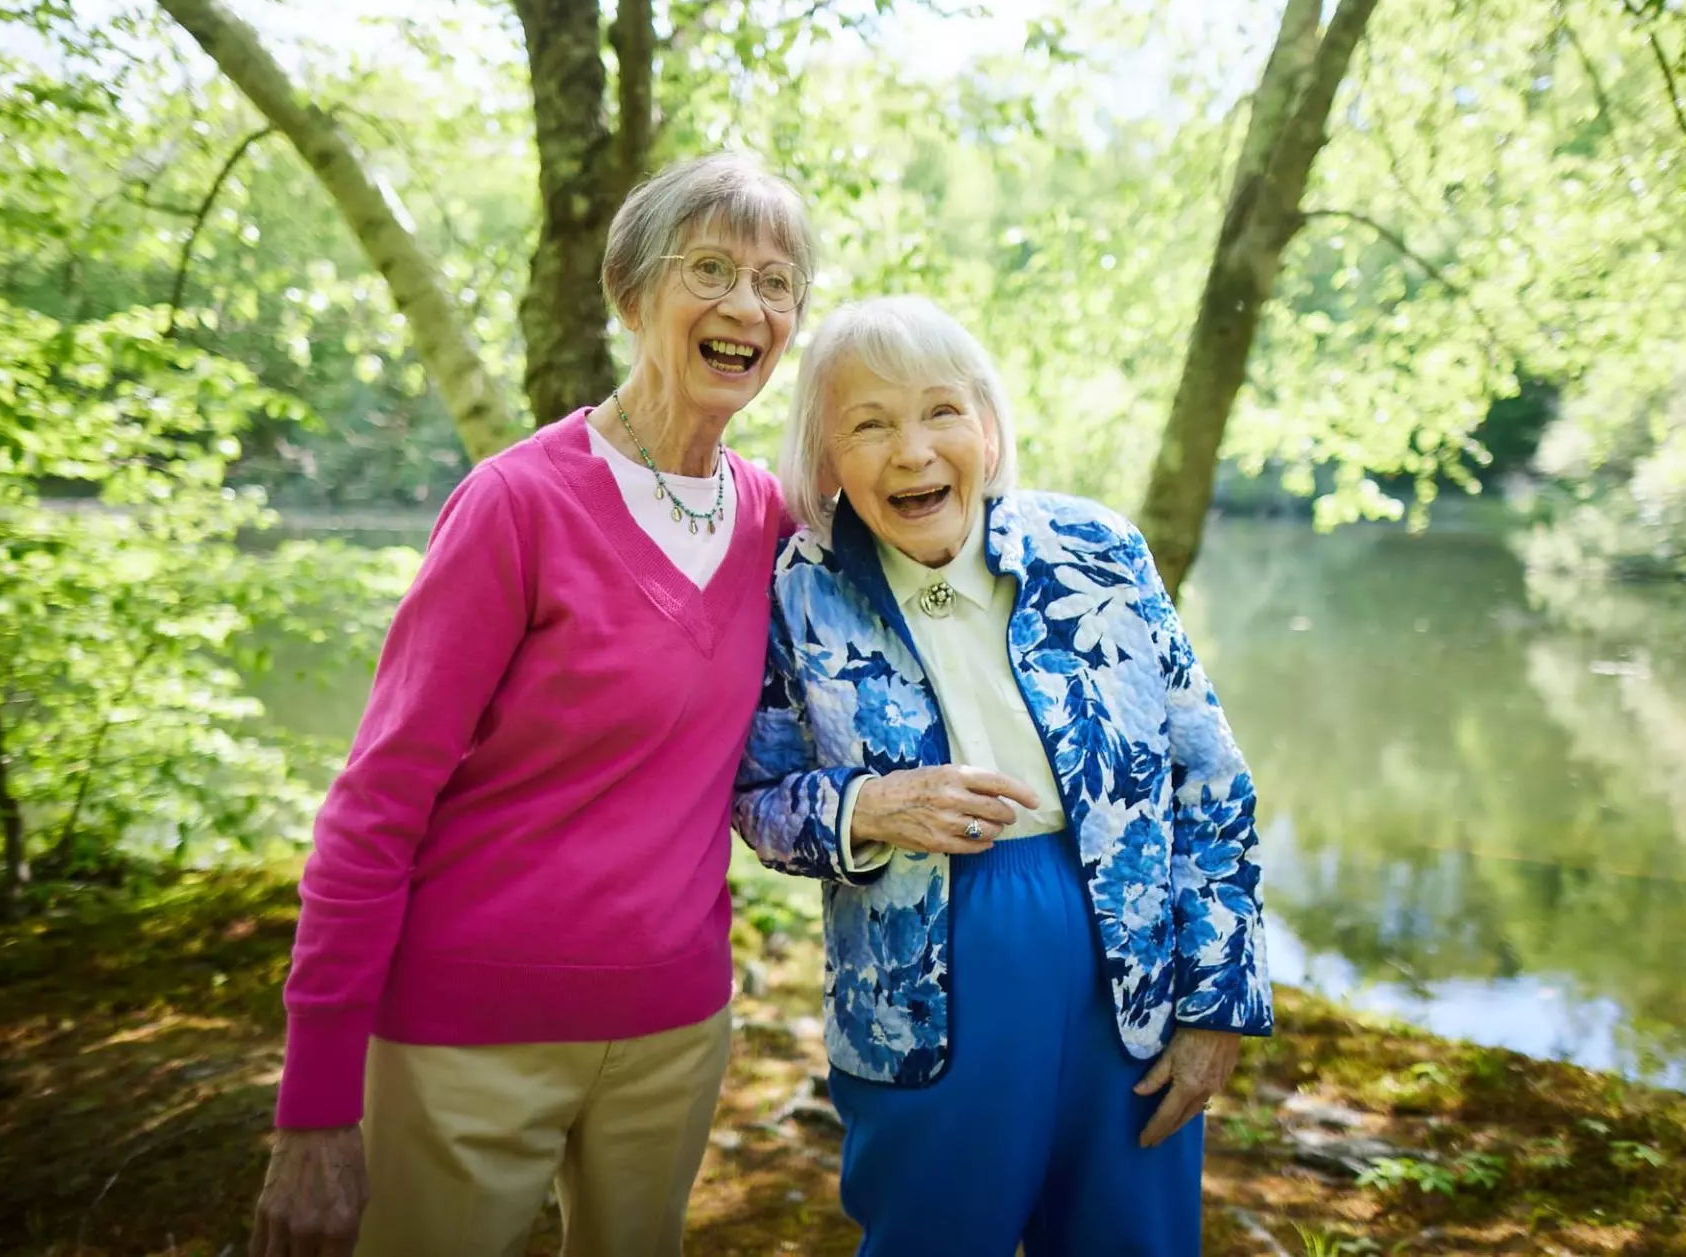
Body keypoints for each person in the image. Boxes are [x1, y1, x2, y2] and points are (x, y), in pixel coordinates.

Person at [249, 152, 817, 1257]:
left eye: (779, 282)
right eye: (711, 268)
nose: (748, 305)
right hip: (466, 1038)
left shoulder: (774, 525)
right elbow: (375, 808)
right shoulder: (515, 505)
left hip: (675, 1033)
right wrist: (314, 1105)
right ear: (632, 290)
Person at [732, 295, 1273, 1257]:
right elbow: (758, 800)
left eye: (942, 411)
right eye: (870, 424)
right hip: (920, 986)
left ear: (988, 423)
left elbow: (1211, 784)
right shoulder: (795, 588)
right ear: (824, 458)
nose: (913, 451)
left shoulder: (1098, 552)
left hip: (1129, 963)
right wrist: (867, 807)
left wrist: (1216, 1003)